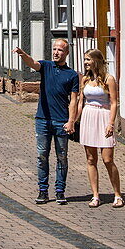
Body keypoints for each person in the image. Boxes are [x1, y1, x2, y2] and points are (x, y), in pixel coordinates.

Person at [14, 39, 79, 205]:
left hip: (61, 122)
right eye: (55, 49)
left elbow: (73, 101)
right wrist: (23, 55)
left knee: (62, 157)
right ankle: (43, 191)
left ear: (67, 53)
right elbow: (33, 63)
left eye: (60, 50)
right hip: (43, 120)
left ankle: (60, 191)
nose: (56, 52)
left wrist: (71, 121)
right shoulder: (46, 66)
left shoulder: (72, 75)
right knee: (42, 156)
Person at [76, 48, 124, 208]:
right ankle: (95, 195)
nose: (85, 63)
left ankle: (117, 194)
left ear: (96, 60)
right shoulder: (85, 80)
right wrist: (74, 120)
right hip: (89, 117)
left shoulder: (109, 79)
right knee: (91, 159)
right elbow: (80, 102)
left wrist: (111, 123)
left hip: (103, 116)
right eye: (85, 60)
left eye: (88, 59)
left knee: (108, 159)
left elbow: (114, 102)